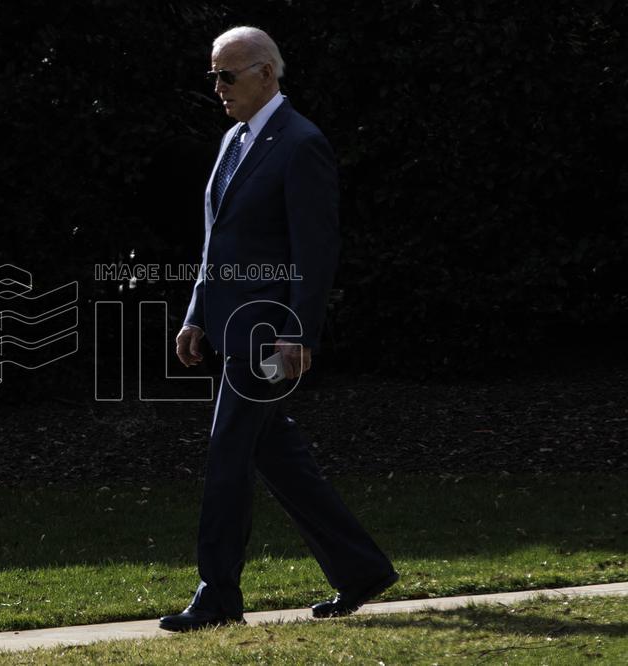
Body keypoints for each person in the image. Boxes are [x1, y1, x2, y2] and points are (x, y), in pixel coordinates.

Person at [158, 26, 398, 632]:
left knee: (228, 453)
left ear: (266, 73)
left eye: (227, 75)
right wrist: (194, 314)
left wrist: (299, 333)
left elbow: (315, 250)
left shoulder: (301, 143)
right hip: (228, 326)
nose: (217, 87)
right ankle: (360, 568)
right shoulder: (232, 139)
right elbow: (217, 241)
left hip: (267, 335)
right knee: (277, 456)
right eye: (213, 74)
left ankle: (217, 595)